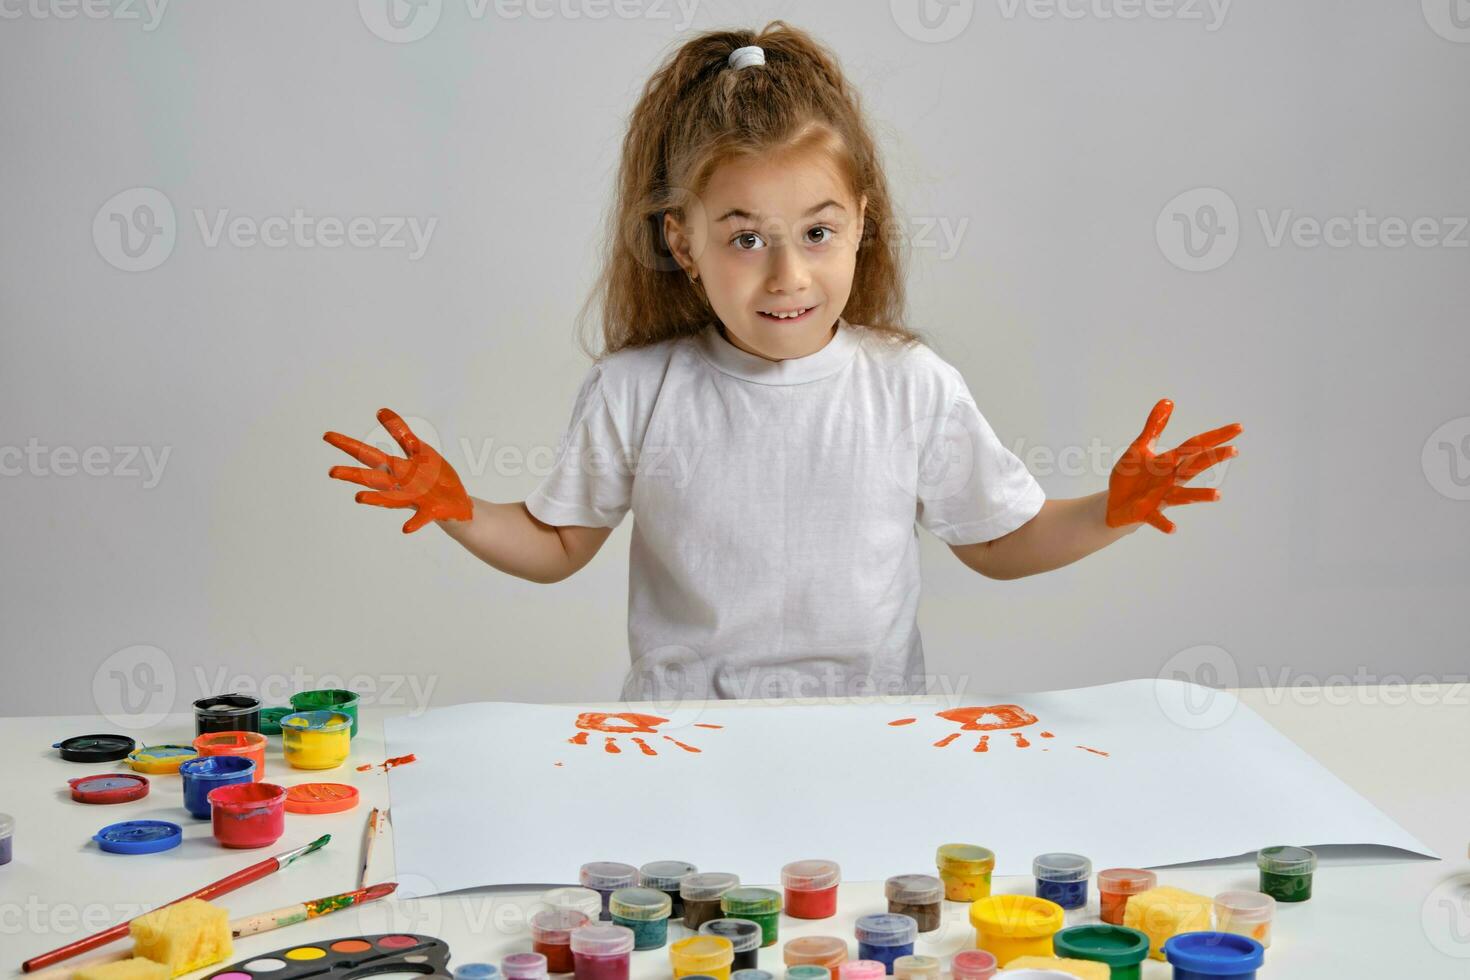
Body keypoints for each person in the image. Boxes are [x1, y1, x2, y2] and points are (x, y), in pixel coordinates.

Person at [323, 23, 1241, 703]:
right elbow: (559, 543)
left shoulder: (908, 383)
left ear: (861, 223)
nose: (787, 273)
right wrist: (458, 509)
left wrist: (1111, 511)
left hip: (871, 740)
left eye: (816, 232)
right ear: (683, 244)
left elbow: (1000, 541)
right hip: (685, 743)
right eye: (746, 237)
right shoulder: (638, 390)